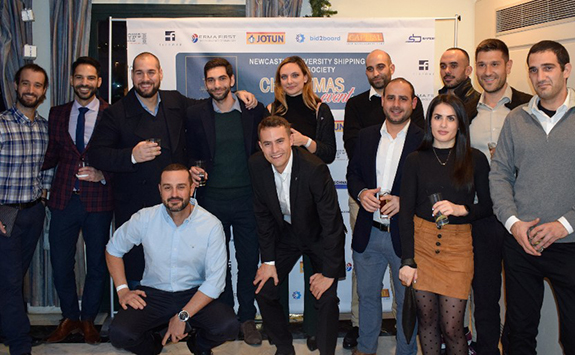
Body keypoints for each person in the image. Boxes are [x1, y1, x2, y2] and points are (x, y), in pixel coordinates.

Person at [89, 52, 256, 286]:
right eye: (139, 73)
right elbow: (96, 154)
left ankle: (182, 316)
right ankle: (141, 316)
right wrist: (131, 156)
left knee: (181, 267)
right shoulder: (115, 113)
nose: (145, 78)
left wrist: (237, 95)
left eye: (150, 72)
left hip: (178, 204)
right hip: (138, 204)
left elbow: (212, 102)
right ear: (132, 76)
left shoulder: (174, 102)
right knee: (140, 270)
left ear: (160, 74)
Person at [490, 40, 575, 354]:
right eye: (534, 70)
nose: (540, 77)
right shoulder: (516, 120)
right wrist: (514, 224)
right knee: (518, 334)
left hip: (571, 245)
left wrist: (564, 225)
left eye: (548, 68)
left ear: (566, 70)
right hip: (522, 244)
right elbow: (498, 174)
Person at [106, 164, 239, 355]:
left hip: (194, 293)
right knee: (119, 333)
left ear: (192, 188)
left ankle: (197, 345)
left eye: (181, 187)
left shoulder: (211, 225)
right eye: (168, 187)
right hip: (154, 294)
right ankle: (153, 345)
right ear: (160, 190)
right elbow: (113, 250)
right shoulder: (145, 218)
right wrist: (122, 290)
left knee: (228, 326)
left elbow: (215, 283)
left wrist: (182, 317)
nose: (174, 194)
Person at [342, 48, 426, 349]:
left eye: (403, 99)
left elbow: (432, 188)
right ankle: (366, 349)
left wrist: (405, 201)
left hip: (406, 237)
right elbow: (352, 176)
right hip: (369, 234)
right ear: (382, 101)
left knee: (406, 304)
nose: (396, 104)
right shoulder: (365, 136)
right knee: (366, 300)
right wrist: (362, 192)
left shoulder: (425, 140)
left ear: (413, 103)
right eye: (390, 98)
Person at [398, 94, 492, 354]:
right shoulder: (415, 160)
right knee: (427, 322)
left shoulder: (476, 159)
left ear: (460, 124)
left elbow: (488, 206)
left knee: (452, 327)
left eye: (451, 118)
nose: (443, 124)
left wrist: (462, 209)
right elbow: (405, 213)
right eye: (437, 117)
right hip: (423, 245)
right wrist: (408, 261)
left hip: (458, 248)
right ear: (429, 122)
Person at [185, 57, 268, 345]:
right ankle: (223, 318)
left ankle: (247, 318)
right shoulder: (195, 114)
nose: (217, 85)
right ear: (205, 84)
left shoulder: (252, 110)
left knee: (247, 262)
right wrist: (189, 169)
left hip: (248, 200)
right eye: (211, 80)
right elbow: (185, 151)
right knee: (217, 263)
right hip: (212, 203)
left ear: (232, 80)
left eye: (222, 79)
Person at [250, 116, 345, 355]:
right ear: (260, 146)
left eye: (280, 141)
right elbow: (262, 216)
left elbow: (331, 223)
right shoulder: (256, 165)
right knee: (264, 290)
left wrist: (329, 273)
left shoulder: (314, 169)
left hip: (319, 234)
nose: (275, 149)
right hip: (287, 234)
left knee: (327, 298)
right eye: (268, 143)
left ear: (292, 139)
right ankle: (284, 348)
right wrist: (268, 262)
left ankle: (326, 352)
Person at [42, 57, 113, 344]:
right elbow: (49, 155)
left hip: (98, 201)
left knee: (97, 263)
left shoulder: (112, 113)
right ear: (72, 80)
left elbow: (119, 156)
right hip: (62, 200)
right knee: (61, 262)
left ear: (98, 81)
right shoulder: (56, 114)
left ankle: (88, 321)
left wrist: (103, 174)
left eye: (91, 78)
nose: (85, 83)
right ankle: (69, 316)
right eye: (79, 77)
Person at [467, 39, 531, 355]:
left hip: (521, 217)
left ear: (508, 65)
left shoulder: (530, 106)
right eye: (482, 65)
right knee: (485, 297)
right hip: (481, 219)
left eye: (494, 64)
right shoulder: (463, 112)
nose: (488, 71)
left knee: (521, 301)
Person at [267, 55, 336, 350]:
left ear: (306, 77)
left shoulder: (320, 108)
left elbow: (330, 153)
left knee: (315, 269)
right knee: (276, 272)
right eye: (284, 77)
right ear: (279, 82)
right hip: (282, 200)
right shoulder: (273, 110)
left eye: (295, 75)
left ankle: (313, 329)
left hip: (312, 200)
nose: (290, 81)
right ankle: (278, 329)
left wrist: (304, 141)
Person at [0, 64, 52, 355]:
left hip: (33, 213)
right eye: (26, 84)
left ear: (43, 91)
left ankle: (8, 329)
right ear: (16, 86)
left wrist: (43, 196)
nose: (30, 90)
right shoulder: (2, 124)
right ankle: (20, 345)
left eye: (37, 85)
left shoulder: (44, 127)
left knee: (16, 277)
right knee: (8, 280)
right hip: (4, 213)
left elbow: (46, 168)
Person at [439, 47, 481, 118]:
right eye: (443, 66)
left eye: (453, 66)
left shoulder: (478, 104)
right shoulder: (438, 101)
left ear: (468, 71)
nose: (447, 71)